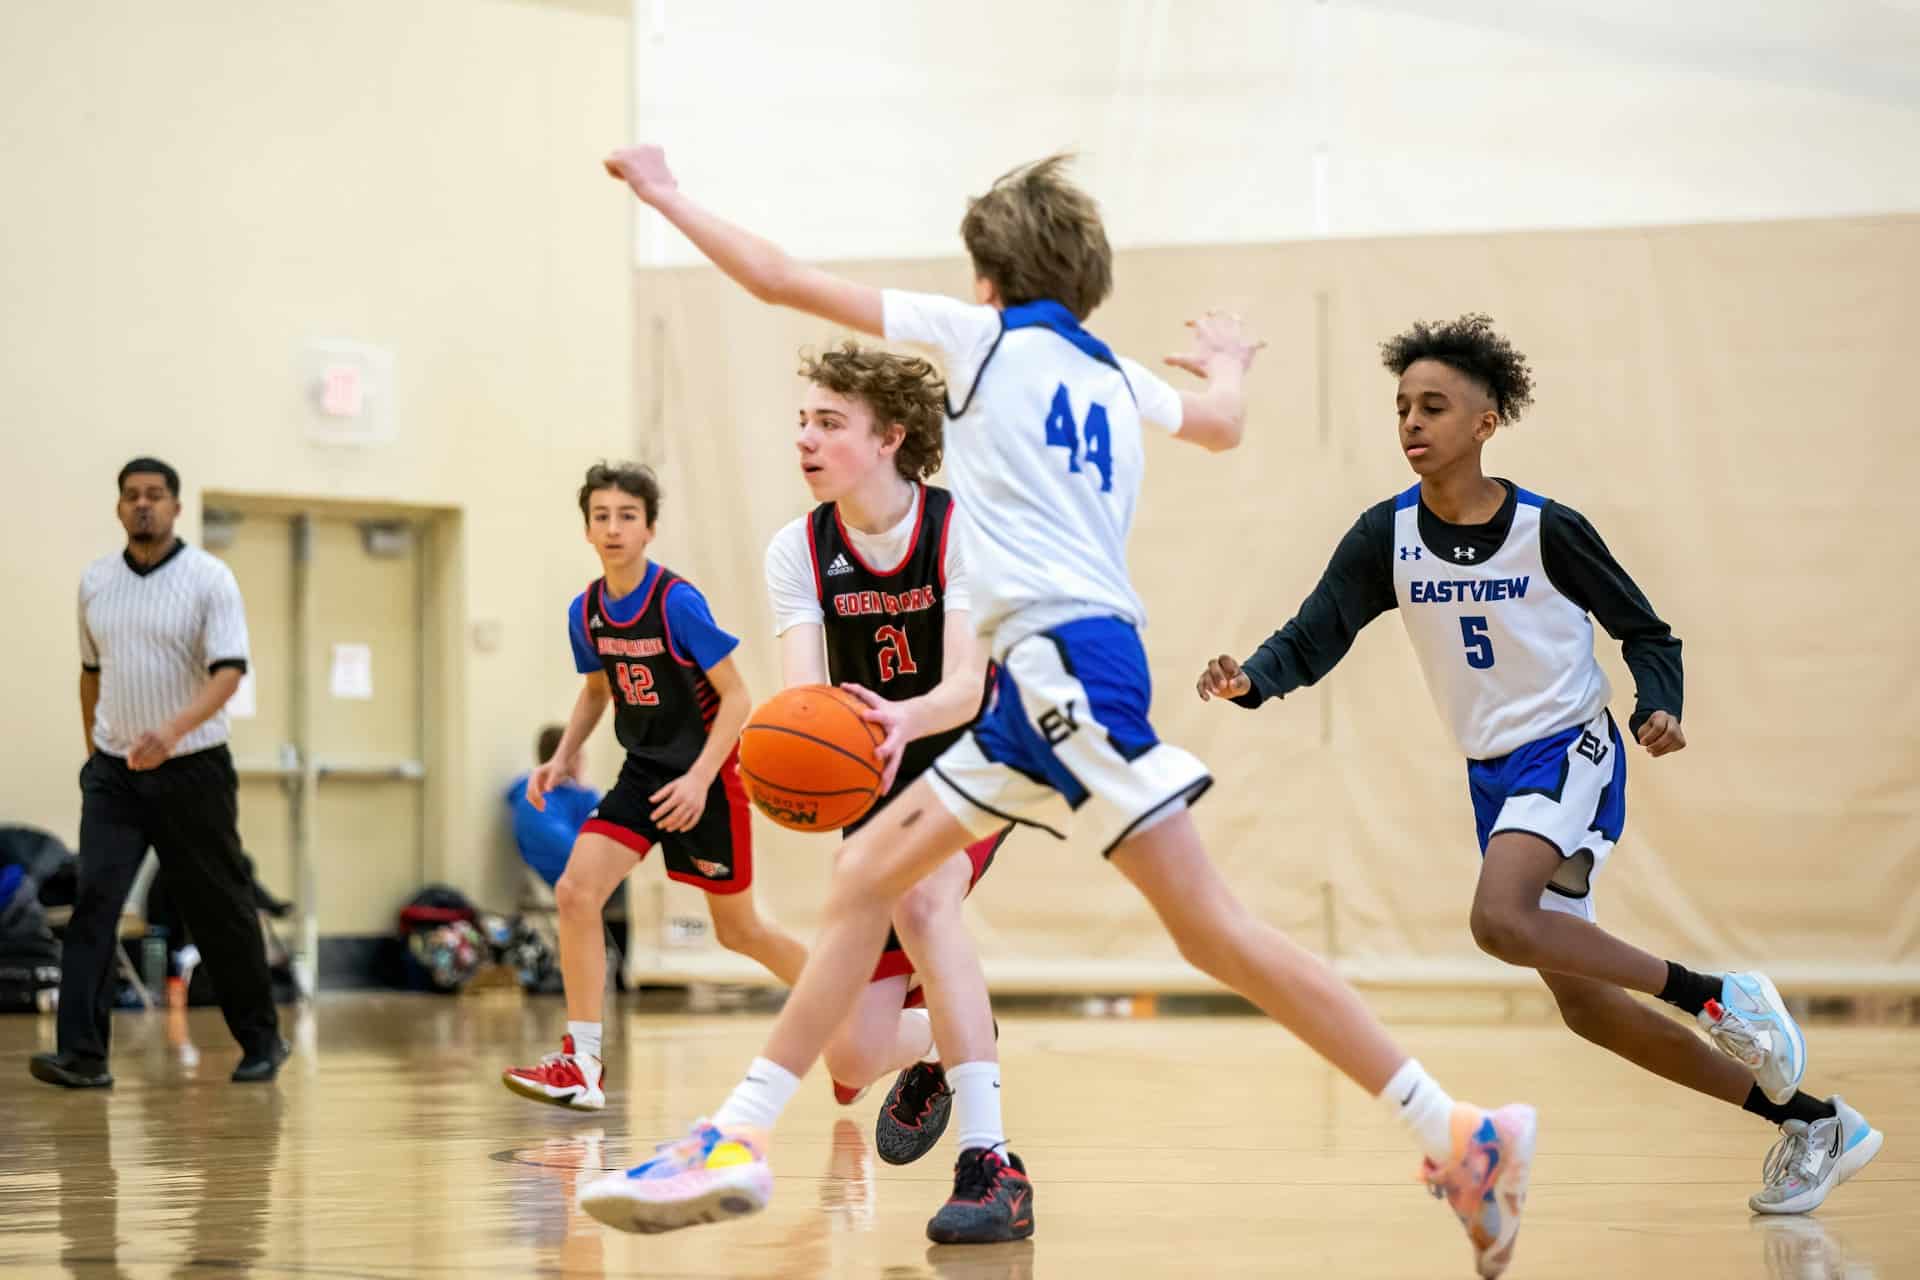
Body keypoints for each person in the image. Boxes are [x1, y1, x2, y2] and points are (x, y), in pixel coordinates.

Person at [579, 147, 1536, 1276]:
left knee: (1210, 926)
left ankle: (1460, 1129)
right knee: (870, 873)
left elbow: (779, 275)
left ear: (988, 278)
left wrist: (665, 192)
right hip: (1066, 667)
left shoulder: (986, 342)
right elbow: (1222, 426)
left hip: (1059, 669)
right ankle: (735, 1132)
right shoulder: (1116, 375)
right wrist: (1226, 364)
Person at [1195, 314, 1881, 1217]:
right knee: (1587, 1008)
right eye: (1401, 407)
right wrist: (1251, 678)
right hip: (1492, 775)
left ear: (1486, 422)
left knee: (1499, 918)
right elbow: (1314, 633)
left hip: (1568, 746)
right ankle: (1814, 1123)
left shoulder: (1546, 529)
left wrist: (1658, 703)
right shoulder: (1385, 535)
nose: (1411, 422)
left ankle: (1722, 998)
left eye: (1434, 406)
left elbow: (1646, 631)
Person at [767, 341, 1011, 1192]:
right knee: (854, 1053)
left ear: (889, 437)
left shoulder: (957, 527)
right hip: (876, 768)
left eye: (829, 423)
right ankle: (955, 1033)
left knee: (923, 895)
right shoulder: (797, 549)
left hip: (975, 748)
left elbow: (964, 685)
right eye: (802, 421)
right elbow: (806, 701)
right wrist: (796, 753)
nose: (806, 439)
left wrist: (896, 721)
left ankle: (990, 1156)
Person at [502, 462, 807, 1111]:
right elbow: (595, 692)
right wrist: (561, 758)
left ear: (650, 528)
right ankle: (583, 1063)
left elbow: (737, 697)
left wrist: (700, 780)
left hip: (709, 771)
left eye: (627, 516)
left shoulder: (676, 602)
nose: (613, 528)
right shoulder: (586, 612)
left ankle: (846, 1004)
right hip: (643, 772)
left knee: (740, 931)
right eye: (602, 516)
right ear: (587, 528)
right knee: (576, 891)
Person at [31, 457, 286, 1089]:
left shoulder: (209, 579)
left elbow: (229, 672)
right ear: (119, 508)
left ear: (175, 507)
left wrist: (169, 735)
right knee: (94, 903)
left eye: (155, 495)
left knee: (220, 907)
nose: (143, 505)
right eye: (131, 496)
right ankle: (84, 1056)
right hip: (116, 776)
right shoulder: (95, 583)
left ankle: (261, 1040)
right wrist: (98, 753)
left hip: (192, 770)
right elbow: (90, 674)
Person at [509, 725, 601, 889]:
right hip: (564, 875)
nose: (583, 759)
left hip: (588, 868)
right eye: (577, 754)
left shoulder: (575, 791)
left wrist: (586, 790)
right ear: (561, 758)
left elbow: (608, 822)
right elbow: (567, 848)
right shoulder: (534, 798)